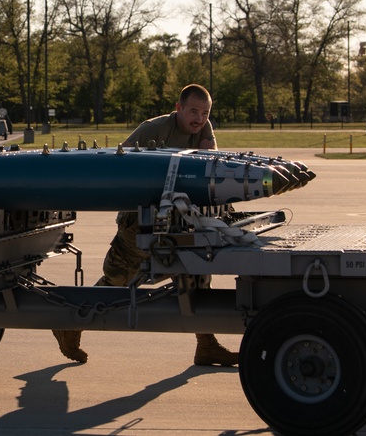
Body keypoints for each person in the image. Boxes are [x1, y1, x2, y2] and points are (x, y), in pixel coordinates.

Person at [51, 84, 238, 367]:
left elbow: (208, 157)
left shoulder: (203, 127)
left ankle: (206, 345)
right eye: (194, 111)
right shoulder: (153, 129)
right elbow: (119, 164)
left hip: (179, 217)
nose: (199, 118)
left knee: (196, 276)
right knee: (118, 280)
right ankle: (72, 322)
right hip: (140, 220)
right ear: (179, 108)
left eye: (205, 112)